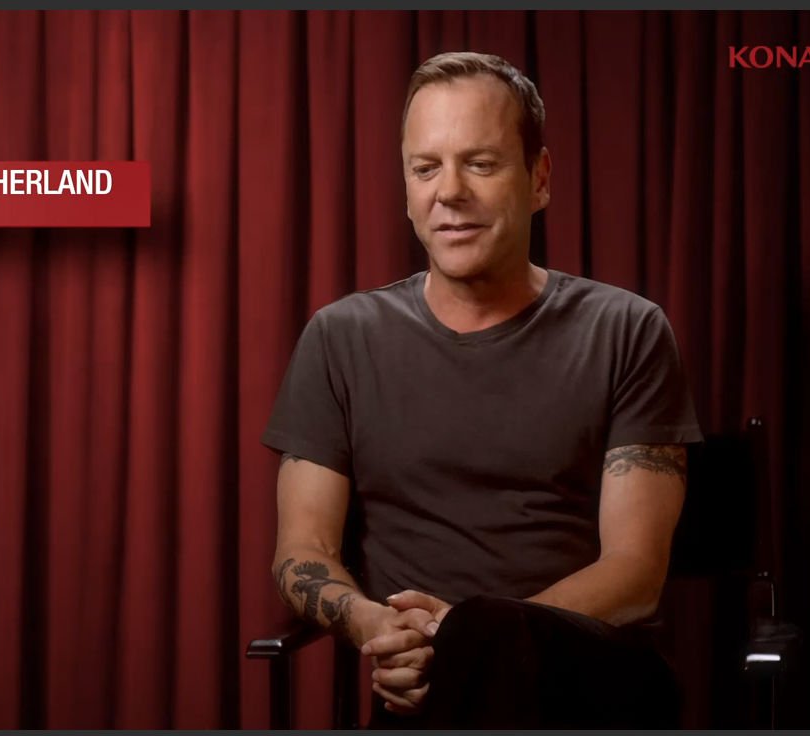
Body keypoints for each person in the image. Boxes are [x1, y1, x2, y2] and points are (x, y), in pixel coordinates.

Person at [262, 51, 703, 728]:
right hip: (424, 691)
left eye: (481, 163)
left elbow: (635, 572)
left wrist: (464, 642)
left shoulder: (627, 330)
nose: (450, 191)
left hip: (589, 689)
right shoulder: (340, 338)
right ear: (406, 189)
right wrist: (378, 628)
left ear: (540, 178)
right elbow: (303, 551)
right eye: (425, 168)